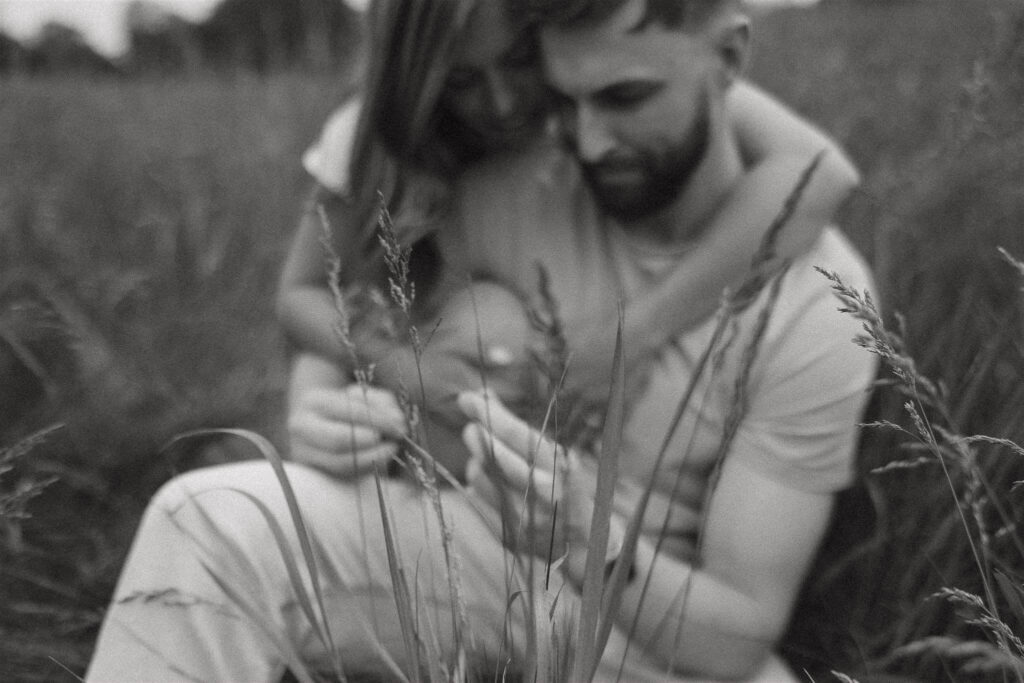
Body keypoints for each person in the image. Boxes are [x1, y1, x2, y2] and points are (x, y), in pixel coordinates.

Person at [85, 0, 876, 680]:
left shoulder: (818, 301)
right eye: (564, 99)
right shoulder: (503, 176)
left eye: (626, 97)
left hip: (647, 609)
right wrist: (324, 402)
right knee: (208, 517)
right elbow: (340, 293)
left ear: (731, 57)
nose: (588, 141)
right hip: (462, 540)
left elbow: (739, 632)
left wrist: (578, 534)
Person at [277, 0, 861, 480]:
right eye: (461, 81)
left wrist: (633, 335)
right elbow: (309, 293)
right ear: (416, 78)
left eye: (519, 60)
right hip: (402, 389)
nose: (503, 103)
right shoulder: (374, 136)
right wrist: (374, 384)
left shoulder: (612, 82)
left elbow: (820, 172)